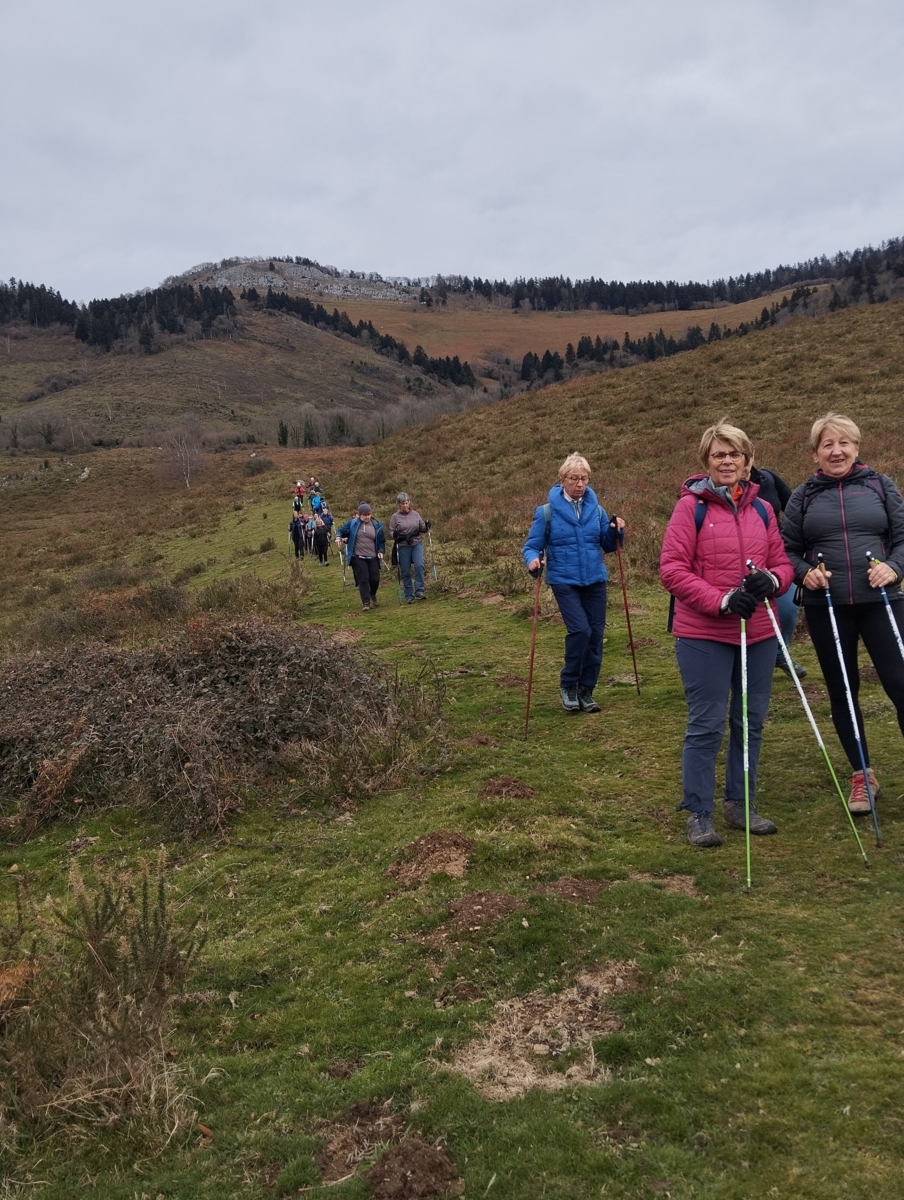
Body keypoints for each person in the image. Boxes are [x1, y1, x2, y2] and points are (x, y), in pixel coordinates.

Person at [660, 421, 794, 847]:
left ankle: (740, 804)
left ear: (748, 461)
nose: (727, 461)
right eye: (719, 454)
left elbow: (783, 564)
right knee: (707, 723)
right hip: (704, 633)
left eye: (735, 453)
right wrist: (721, 601)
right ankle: (699, 813)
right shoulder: (690, 508)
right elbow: (671, 570)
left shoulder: (763, 510)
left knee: (750, 721)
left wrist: (773, 581)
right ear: (707, 461)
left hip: (759, 632)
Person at [782, 412, 904, 814]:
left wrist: (894, 568)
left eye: (844, 443)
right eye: (827, 445)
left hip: (882, 602)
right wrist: (805, 574)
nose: (836, 451)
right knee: (843, 691)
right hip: (828, 608)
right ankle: (862, 775)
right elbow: (786, 550)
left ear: (856, 447)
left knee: (900, 683)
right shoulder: (803, 496)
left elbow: (903, 538)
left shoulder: (880, 485)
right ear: (815, 453)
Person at [522, 453, 625, 714]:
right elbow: (532, 546)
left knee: (596, 635)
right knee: (581, 631)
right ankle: (568, 684)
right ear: (562, 480)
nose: (580, 484)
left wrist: (616, 531)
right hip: (564, 580)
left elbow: (608, 545)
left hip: (595, 579)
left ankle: (586, 690)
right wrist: (533, 560)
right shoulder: (546, 512)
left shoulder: (597, 510)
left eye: (584, 479)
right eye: (574, 478)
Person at [747, 460, 807, 680]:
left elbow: (795, 508)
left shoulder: (767, 479)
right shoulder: (719, 482)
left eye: (744, 454)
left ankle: (780, 653)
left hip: (774, 556)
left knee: (788, 609)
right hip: (737, 558)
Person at [336, 503, 386, 611]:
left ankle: (372, 594)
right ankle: (366, 603)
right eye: (364, 515)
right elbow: (340, 531)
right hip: (357, 557)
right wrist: (338, 537)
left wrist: (381, 551)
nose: (367, 517)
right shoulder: (352, 523)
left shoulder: (376, 525)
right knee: (363, 579)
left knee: (375, 579)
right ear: (359, 515)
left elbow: (381, 541)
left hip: (373, 557)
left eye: (369, 514)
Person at [389, 492, 429, 603]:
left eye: (407, 503)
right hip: (403, 546)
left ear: (409, 502)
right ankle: (409, 595)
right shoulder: (395, 517)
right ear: (399, 504)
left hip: (416, 544)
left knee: (419, 565)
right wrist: (394, 535)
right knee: (406, 571)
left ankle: (419, 591)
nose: (405, 505)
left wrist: (426, 526)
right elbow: (391, 531)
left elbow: (422, 528)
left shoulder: (415, 514)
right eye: (403, 503)